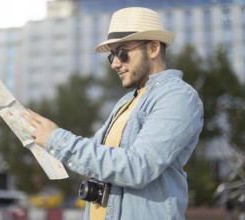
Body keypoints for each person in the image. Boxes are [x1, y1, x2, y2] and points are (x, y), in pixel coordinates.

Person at [22, 7, 204, 220]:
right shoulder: (126, 102)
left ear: (153, 48)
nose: (115, 63)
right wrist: (42, 138)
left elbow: (138, 167)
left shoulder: (178, 96)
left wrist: (57, 139)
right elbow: (95, 159)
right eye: (112, 56)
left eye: (122, 53)